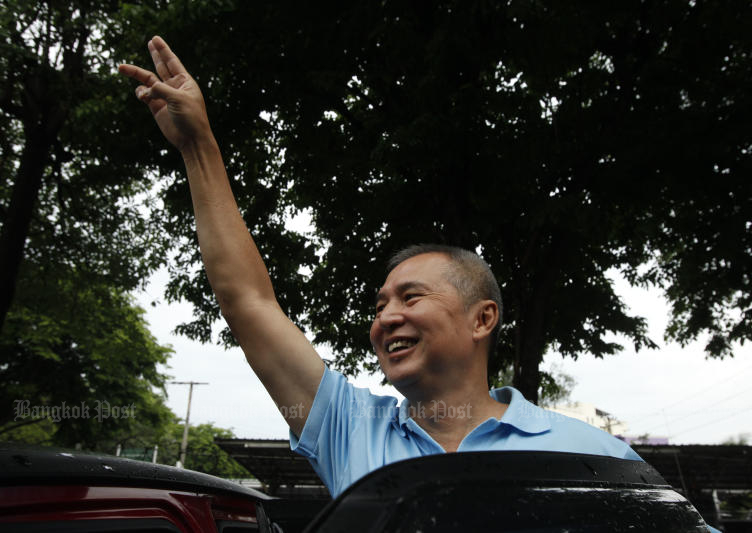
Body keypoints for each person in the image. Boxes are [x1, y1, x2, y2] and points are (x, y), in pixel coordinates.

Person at [120, 36, 640, 499]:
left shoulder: (596, 456)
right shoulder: (349, 429)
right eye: (380, 305)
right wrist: (198, 147)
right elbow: (248, 302)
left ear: (483, 319)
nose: (386, 318)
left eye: (412, 297)